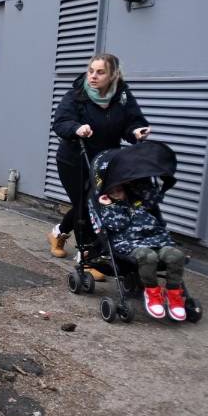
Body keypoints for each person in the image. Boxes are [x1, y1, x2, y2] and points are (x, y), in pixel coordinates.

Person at [48, 53, 150, 280]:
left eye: (100, 72)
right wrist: (76, 128)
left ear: (113, 75)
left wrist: (136, 131)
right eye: (91, 71)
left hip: (105, 161)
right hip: (74, 160)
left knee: (92, 202)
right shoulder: (77, 94)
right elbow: (61, 122)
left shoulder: (122, 96)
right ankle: (87, 256)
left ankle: (58, 233)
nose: (93, 76)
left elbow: (132, 121)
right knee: (85, 204)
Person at [92, 177, 187, 321]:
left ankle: (174, 293)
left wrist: (159, 184)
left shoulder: (139, 200)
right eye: (112, 192)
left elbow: (154, 201)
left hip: (156, 240)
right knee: (148, 256)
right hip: (130, 244)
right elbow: (117, 225)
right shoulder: (108, 207)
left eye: (119, 190)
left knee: (176, 255)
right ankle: (152, 292)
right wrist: (110, 206)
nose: (116, 193)